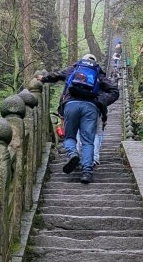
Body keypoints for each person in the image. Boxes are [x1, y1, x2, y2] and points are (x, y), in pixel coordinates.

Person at [38, 54, 118, 184]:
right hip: (90, 107)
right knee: (88, 141)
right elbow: (114, 91)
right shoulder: (98, 73)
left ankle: (73, 153)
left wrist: (44, 79)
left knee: (70, 136)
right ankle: (87, 172)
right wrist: (100, 101)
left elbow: (56, 75)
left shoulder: (72, 69)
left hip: (71, 105)